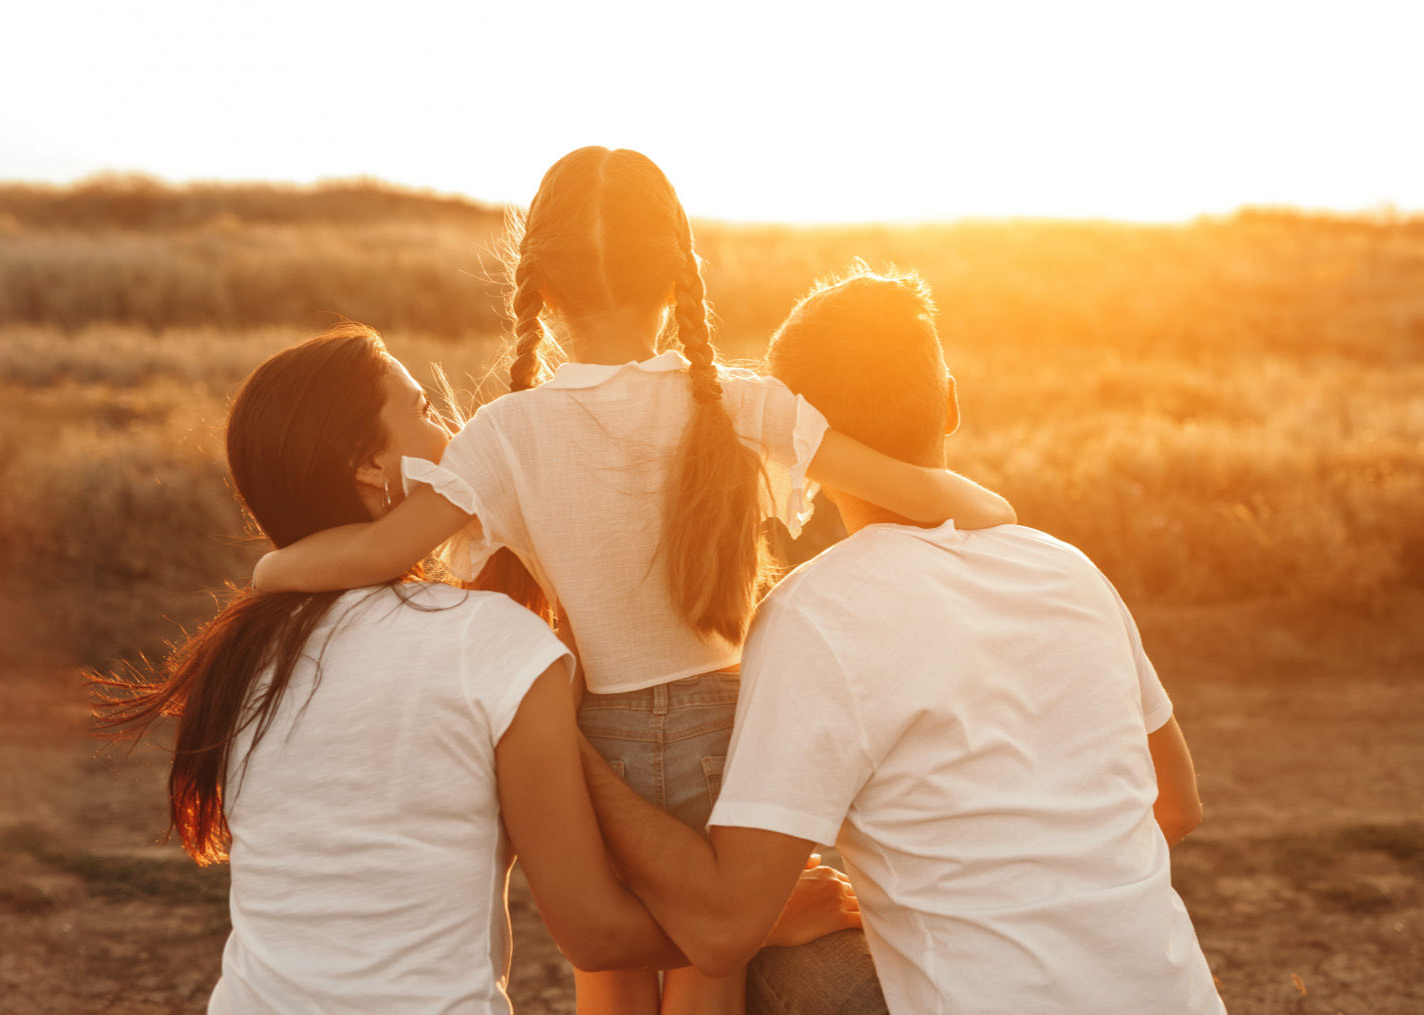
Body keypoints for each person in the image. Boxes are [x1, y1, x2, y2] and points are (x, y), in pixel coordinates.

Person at [250, 148, 1015, 1014]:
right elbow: (922, 491)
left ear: (540, 280)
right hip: (731, 733)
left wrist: (272, 567)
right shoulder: (734, 400)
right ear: (678, 272)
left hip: (595, 729)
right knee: (710, 957)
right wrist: (994, 509)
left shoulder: (504, 433)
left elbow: (369, 554)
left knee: (608, 968)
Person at [92, 325, 862, 1014]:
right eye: (424, 410)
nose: (453, 430)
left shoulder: (242, 654)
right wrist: (757, 919)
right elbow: (594, 930)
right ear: (370, 466)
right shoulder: (487, 643)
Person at [576, 266, 1227, 1015]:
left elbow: (723, 926)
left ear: (797, 452)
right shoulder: (1068, 566)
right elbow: (1176, 805)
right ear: (949, 403)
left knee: (772, 952)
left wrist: (574, 754)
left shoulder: (815, 613)